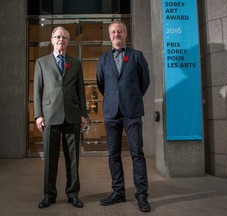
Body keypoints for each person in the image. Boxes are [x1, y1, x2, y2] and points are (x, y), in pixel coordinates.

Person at [97, 20, 151, 212]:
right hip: (112, 113)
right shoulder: (103, 60)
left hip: (132, 112)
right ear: (109, 35)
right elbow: (102, 85)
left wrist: (130, 98)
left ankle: (142, 195)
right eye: (113, 32)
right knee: (113, 155)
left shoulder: (136, 56)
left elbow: (145, 81)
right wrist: (115, 99)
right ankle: (118, 192)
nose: (116, 34)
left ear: (125, 33)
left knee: (137, 153)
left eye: (119, 31)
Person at [34, 26, 88, 209]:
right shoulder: (41, 63)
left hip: (72, 116)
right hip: (49, 117)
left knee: (73, 159)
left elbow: (81, 90)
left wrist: (83, 114)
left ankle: (73, 194)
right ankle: (49, 195)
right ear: (51, 39)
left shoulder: (76, 63)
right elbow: (38, 91)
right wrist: (38, 115)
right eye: (57, 36)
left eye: (64, 37)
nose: (60, 40)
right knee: (50, 159)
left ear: (68, 41)